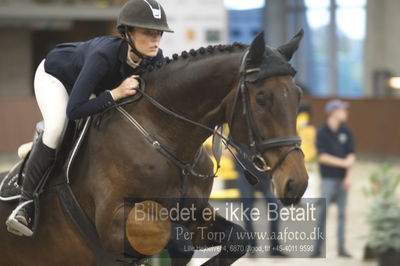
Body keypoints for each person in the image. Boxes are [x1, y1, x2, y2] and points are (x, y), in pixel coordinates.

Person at [5, 0, 173, 237]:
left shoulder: (156, 59)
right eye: (148, 33)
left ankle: (40, 151)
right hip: (56, 76)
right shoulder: (104, 55)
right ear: (127, 34)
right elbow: (75, 110)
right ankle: (25, 204)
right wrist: (115, 94)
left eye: (159, 33)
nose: (156, 40)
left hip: (88, 86)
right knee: (57, 128)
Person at [313, 99, 356, 257]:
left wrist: (348, 176)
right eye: (343, 110)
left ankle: (341, 248)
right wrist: (344, 163)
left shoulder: (347, 131)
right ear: (333, 112)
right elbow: (322, 157)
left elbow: (352, 155)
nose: (346, 112)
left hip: (343, 179)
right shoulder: (322, 132)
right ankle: (317, 248)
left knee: (342, 215)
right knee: (322, 214)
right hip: (327, 179)